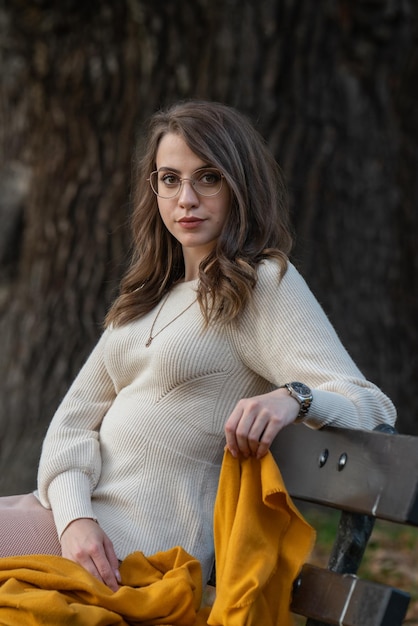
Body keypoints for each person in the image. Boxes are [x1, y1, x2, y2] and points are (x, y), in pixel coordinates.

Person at [0, 100, 396, 594]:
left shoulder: (262, 282)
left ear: (239, 184)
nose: (185, 198)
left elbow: (369, 402)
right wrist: (75, 517)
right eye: (169, 179)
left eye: (207, 178)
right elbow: (70, 428)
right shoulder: (145, 299)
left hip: (142, 549)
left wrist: (294, 397)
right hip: (80, 526)